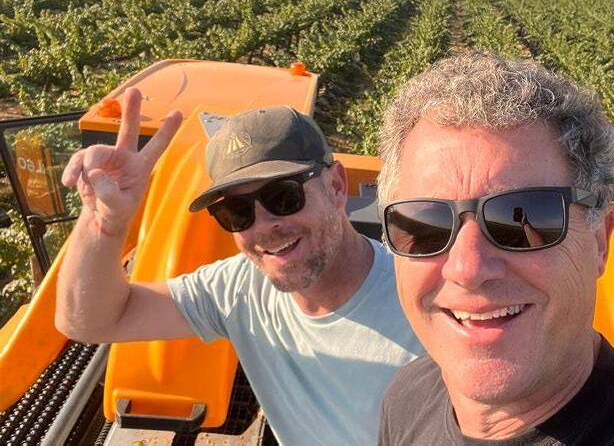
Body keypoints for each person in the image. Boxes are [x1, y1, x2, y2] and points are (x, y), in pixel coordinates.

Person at [375, 52, 614, 445]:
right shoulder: (407, 398)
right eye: (427, 226)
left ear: (600, 240)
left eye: (522, 220)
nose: (467, 268)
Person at [55, 88, 423, 445]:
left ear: (337, 186)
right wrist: (104, 222)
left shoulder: (420, 306)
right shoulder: (240, 288)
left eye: (283, 196)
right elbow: (88, 322)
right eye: (237, 211)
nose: (263, 226)